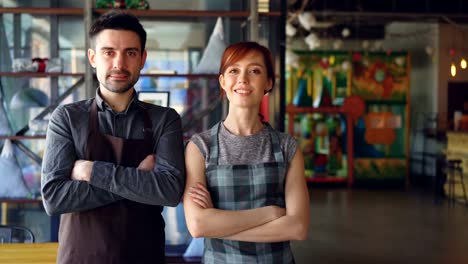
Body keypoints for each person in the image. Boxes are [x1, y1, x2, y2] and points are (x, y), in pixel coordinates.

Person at [41, 10, 185, 264]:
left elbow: (170, 191)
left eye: (130, 53)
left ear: (142, 59)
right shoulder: (67, 118)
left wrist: (93, 171)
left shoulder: (165, 119)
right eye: (109, 52)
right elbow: (54, 198)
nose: (119, 63)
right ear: (93, 58)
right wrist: (139, 179)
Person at [183, 41, 310, 263]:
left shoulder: (287, 147)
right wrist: (269, 214)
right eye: (234, 70)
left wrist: (218, 226)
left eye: (254, 71)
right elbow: (197, 225)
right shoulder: (199, 147)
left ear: (268, 82)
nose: (242, 79)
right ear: (222, 81)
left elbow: (297, 227)